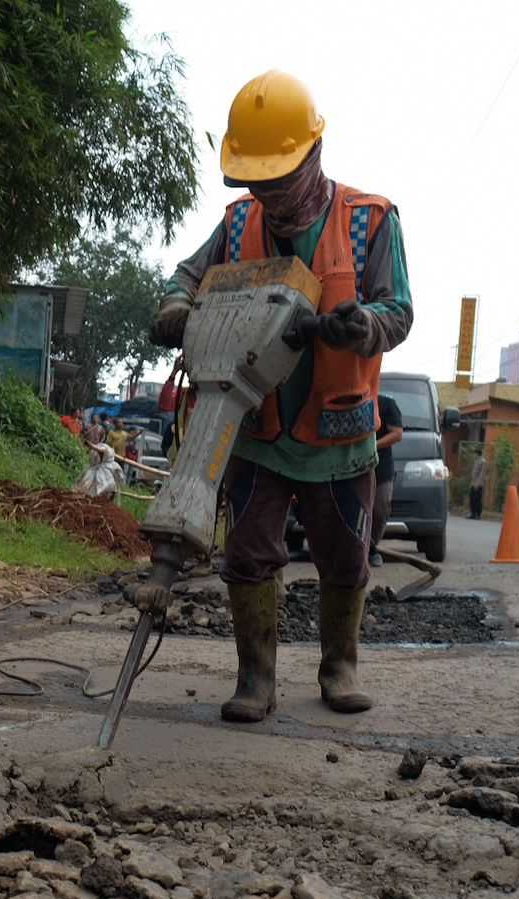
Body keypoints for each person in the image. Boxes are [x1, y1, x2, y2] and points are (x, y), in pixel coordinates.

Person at [146, 70, 413, 721]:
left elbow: (399, 311)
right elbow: (186, 278)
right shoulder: (237, 227)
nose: (266, 191)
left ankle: (339, 667)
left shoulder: (370, 221)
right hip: (257, 429)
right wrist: (180, 309)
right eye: (254, 181)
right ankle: (255, 680)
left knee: (344, 559)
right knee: (247, 556)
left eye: (278, 178)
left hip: (339, 433)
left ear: (313, 153)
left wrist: (366, 326)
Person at [368, 393, 404, 566]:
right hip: (350, 466)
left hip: (381, 468)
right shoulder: (350, 404)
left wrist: (372, 445)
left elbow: (397, 434)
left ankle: (371, 548)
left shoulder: (387, 404)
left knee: (380, 508)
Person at [467, 448, 488, 519]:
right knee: (472, 498)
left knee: (477, 499)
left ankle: (478, 514)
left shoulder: (483, 461)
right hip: (473, 483)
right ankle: (472, 513)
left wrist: (477, 484)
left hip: (479, 483)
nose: (474, 455)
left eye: (475, 454)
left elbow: (482, 474)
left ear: (478, 454)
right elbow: (474, 473)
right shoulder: (476, 461)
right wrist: (472, 483)